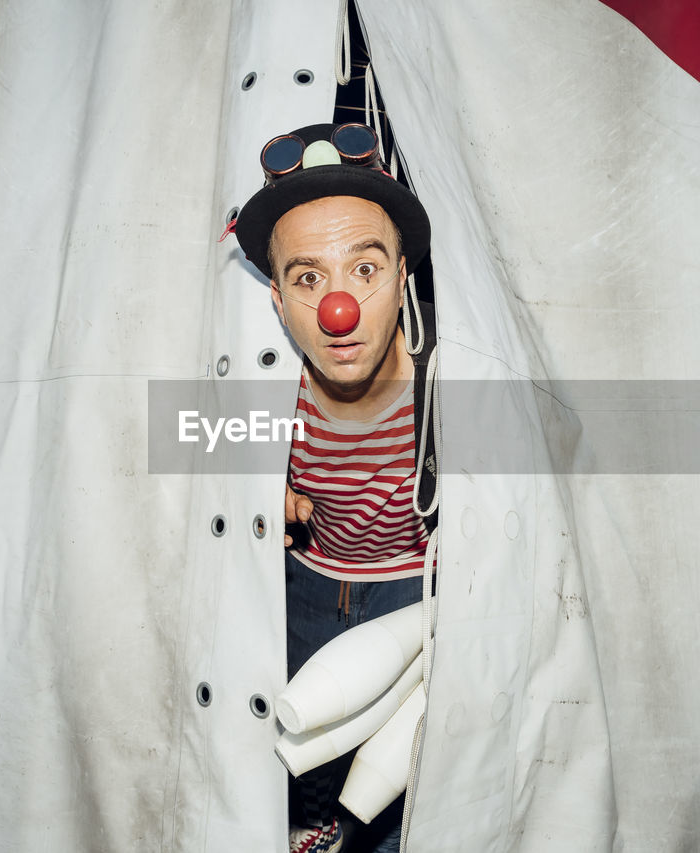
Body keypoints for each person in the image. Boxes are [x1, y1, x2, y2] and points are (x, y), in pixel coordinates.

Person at [236, 123, 438, 853]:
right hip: (307, 590)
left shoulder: (448, 390)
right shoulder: (261, 394)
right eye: (308, 277)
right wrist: (253, 487)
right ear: (278, 303)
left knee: (395, 788)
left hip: (409, 599)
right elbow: (152, 463)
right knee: (294, 758)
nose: (337, 308)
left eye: (363, 268)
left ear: (404, 273)